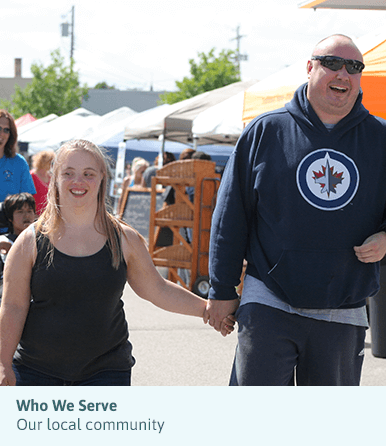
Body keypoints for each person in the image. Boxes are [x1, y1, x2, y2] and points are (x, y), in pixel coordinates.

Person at [204, 34, 386, 386]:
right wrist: (221, 290)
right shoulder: (265, 131)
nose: (343, 74)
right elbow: (230, 216)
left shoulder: (380, 139)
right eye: (332, 63)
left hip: (344, 305)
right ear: (309, 68)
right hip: (269, 299)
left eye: (354, 67)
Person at [0, 139, 233, 386]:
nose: (78, 181)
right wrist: (3, 364)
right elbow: (13, 306)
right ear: (55, 178)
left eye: (88, 174)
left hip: (106, 372)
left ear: (102, 178)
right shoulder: (29, 242)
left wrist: (208, 310)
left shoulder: (124, 238)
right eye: (68, 173)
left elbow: (157, 289)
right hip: (35, 372)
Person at [0, 110, 36, 232]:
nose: (2, 134)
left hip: (12, 234)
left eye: (6, 130)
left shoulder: (19, 162)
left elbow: (28, 203)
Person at [0, 193, 36, 303]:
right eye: (20, 212)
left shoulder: (43, 239)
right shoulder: (5, 240)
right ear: (10, 218)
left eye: (30, 211)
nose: (26, 216)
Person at [30, 150, 55, 215]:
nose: (53, 165)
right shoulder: (31, 176)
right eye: (51, 162)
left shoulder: (51, 176)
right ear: (44, 162)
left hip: (48, 214)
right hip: (35, 215)